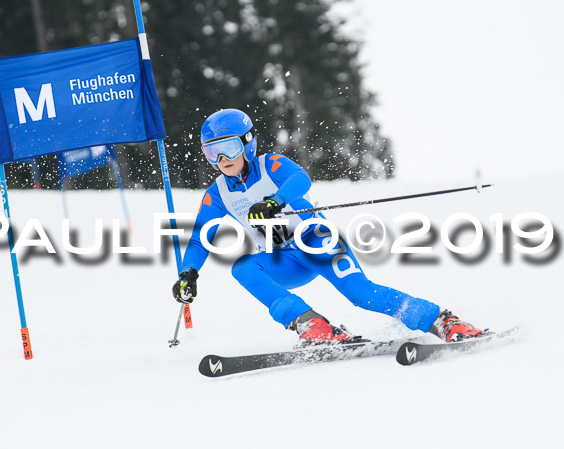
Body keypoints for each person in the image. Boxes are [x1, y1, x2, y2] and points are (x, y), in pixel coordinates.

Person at [172, 108, 484, 346]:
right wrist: (188, 273)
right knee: (243, 268)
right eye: (213, 151)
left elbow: (301, 180)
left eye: (228, 147)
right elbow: (201, 238)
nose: (222, 158)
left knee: (361, 294)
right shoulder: (218, 193)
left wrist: (274, 202)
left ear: (248, 144)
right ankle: (313, 326)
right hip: (285, 260)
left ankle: (443, 321)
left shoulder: (271, 165)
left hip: (317, 243)